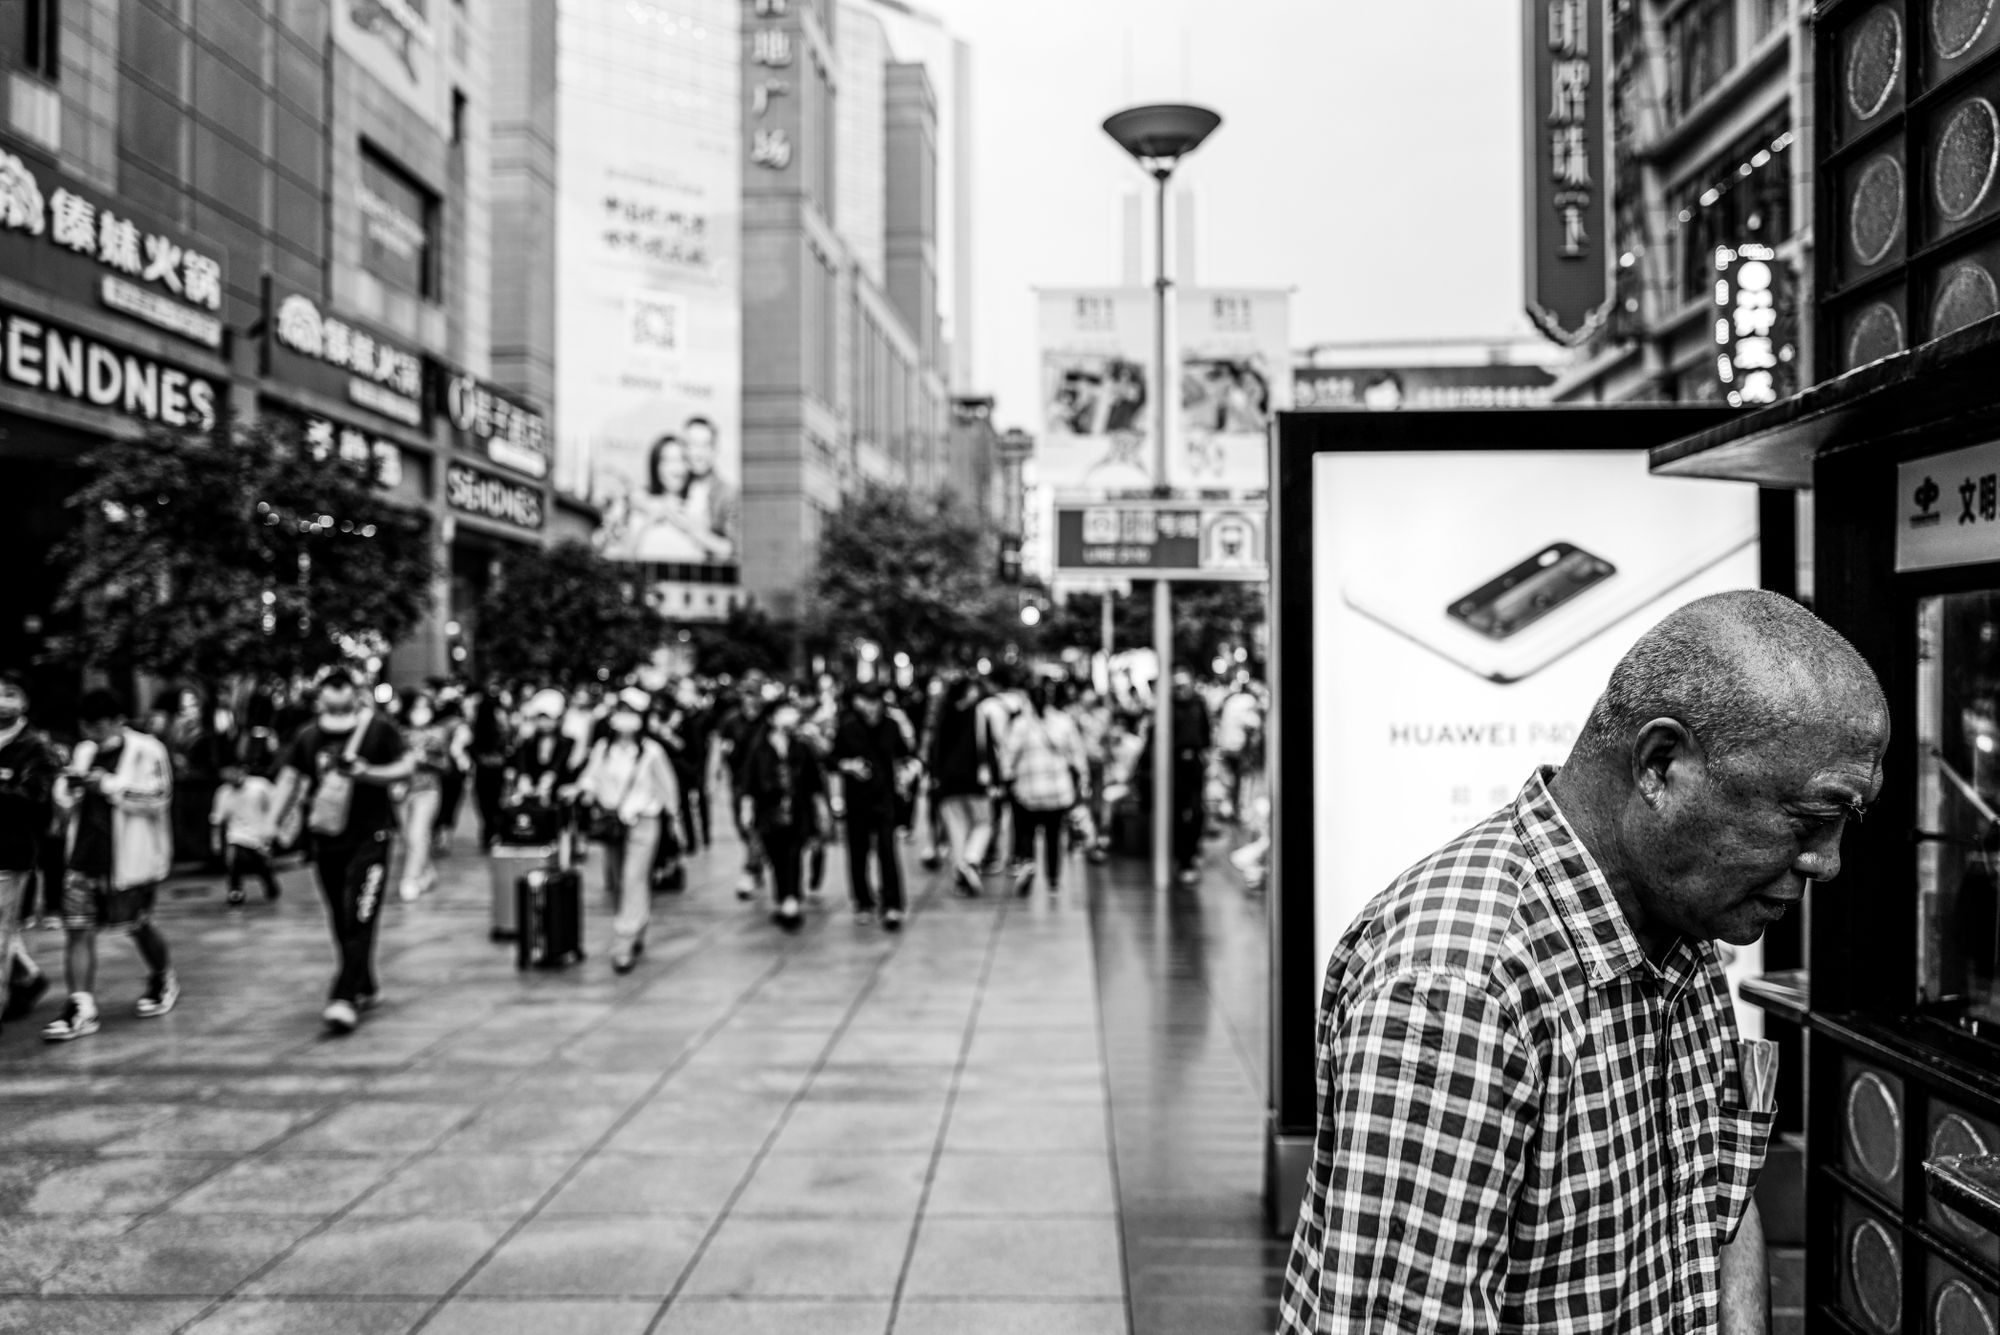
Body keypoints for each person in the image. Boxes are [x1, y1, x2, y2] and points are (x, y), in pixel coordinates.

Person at [1278, 591, 1889, 1334]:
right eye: (1808, 819)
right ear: (1661, 765)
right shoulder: (1459, 984)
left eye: (1845, 822)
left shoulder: (1684, 928)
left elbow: (1718, 1204)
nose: (1826, 861)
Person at [272, 671, 414, 1035]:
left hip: (372, 836)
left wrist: (369, 773)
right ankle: (364, 982)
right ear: (319, 696)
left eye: (343, 687)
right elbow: (290, 777)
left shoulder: (379, 730)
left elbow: (406, 767)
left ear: (356, 692)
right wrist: (270, 822)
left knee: (360, 915)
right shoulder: (308, 736)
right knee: (340, 916)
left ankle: (343, 996)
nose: (336, 694)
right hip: (327, 840)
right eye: (330, 689)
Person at [41, 689, 178, 1043]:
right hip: (84, 856)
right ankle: (81, 1004)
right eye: (87, 727)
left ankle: (162, 976)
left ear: (118, 721)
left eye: (99, 726)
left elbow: (158, 796)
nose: (93, 734)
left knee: (136, 924)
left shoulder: (148, 749)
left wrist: (108, 785)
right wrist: (69, 788)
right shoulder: (84, 751)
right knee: (78, 929)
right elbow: (67, 801)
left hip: (129, 859)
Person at [572, 689, 682, 973]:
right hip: (612, 824)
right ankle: (638, 925)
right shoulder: (604, 749)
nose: (625, 718)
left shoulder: (651, 751)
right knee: (620, 880)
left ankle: (624, 940)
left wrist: (675, 821)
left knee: (634, 878)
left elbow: (667, 788)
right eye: (621, 711)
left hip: (644, 821)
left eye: (631, 712)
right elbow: (591, 777)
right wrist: (582, 791)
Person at [740, 694, 828, 930]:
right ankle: (783, 898)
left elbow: (815, 780)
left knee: (794, 853)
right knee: (775, 856)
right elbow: (749, 781)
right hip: (769, 811)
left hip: (798, 810)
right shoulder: (759, 747)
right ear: (772, 718)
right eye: (784, 712)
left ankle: (792, 898)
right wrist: (746, 808)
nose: (790, 716)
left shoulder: (802, 745)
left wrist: (821, 809)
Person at [0, 672, 56, 1035]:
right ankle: (30, 977)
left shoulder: (35, 748)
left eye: (10, 693)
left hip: (9, 853)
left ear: (25, 702)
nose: (2, 701)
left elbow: (36, 801)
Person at [831, 682, 911, 930]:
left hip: (884, 796)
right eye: (867, 701)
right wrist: (849, 765)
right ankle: (863, 902)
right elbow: (832, 759)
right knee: (858, 851)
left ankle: (892, 904)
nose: (871, 708)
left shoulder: (891, 725)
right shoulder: (848, 727)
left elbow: (904, 755)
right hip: (857, 799)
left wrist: (906, 774)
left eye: (875, 702)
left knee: (887, 850)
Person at [1000, 682, 1089, 897]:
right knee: (1054, 835)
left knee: (1027, 833)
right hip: (1057, 792)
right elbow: (1077, 753)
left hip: (1028, 791)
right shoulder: (1063, 722)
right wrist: (1083, 779)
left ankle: (1029, 864)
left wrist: (1006, 778)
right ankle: (1053, 881)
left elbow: (1008, 756)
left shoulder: (1021, 725)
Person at [926, 675, 993, 896]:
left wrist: (934, 776)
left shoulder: (943, 714)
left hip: (948, 781)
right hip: (973, 779)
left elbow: (935, 749)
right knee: (984, 822)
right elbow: (986, 747)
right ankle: (971, 860)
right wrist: (995, 778)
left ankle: (960, 873)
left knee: (957, 829)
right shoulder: (978, 714)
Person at [397, 693, 453, 902]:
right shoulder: (399, 733)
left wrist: (426, 760)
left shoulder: (438, 734)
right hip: (402, 791)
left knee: (417, 834)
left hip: (427, 790)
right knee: (408, 838)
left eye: (425, 707)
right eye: (416, 707)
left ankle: (410, 879)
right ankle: (428, 872)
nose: (421, 712)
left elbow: (446, 764)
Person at [209, 757, 280, 906]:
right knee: (234, 860)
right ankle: (235, 890)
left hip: (259, 835)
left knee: (262, 865)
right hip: (236, 835)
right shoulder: (223, 793)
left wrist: (272, 829)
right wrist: (216, 841)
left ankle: (270, 886)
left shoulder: (260, 786)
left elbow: (277, 804)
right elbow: (217, 819)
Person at [1167, 669, 1213, 884]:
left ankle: (1191, 853)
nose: (1181, 690)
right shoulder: (1169, 707)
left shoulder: (1198, 704)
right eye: (1177, 687)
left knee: (1196, 811)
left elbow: (1206, 733)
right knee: (1176, 811)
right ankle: (1181, 856)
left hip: (1194, 762)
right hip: (1174, 763)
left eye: (1184, 685)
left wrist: (1206, 756)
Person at [469, 689, 511, 850]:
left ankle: (491, 832)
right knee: (491, 803)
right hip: (490, 770)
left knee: (489, 804)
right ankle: (492, 832)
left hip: (488, 770)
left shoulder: (484, 722)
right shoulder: (487, 723)